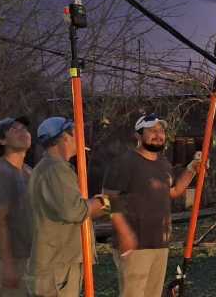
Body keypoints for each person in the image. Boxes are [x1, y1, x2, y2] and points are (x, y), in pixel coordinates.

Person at [26, 117, 137, 297]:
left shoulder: (50, 167)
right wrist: (105, 202)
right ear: (65, 137)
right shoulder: (56, 169)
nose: (82, 137)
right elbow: (75, 211)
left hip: (58, 262)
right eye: (76, 132)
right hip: (58, 266)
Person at [102, 113, 203, 297]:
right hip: (135, 245)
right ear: (138, 135)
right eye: (152, 131)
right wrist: (125, 234)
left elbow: (172, 191)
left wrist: (191, 170)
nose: (159, 135)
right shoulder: (125, 162)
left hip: (159, 243)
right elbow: (108, 197)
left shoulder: (163, 163)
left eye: (162, 131)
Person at [0, 116, 33, 297]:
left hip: (26, 256)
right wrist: (8, 265)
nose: (23, 133)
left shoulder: (27, 171)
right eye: (15, 129)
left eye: (25, 129)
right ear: (1, 140)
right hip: (6, 260)